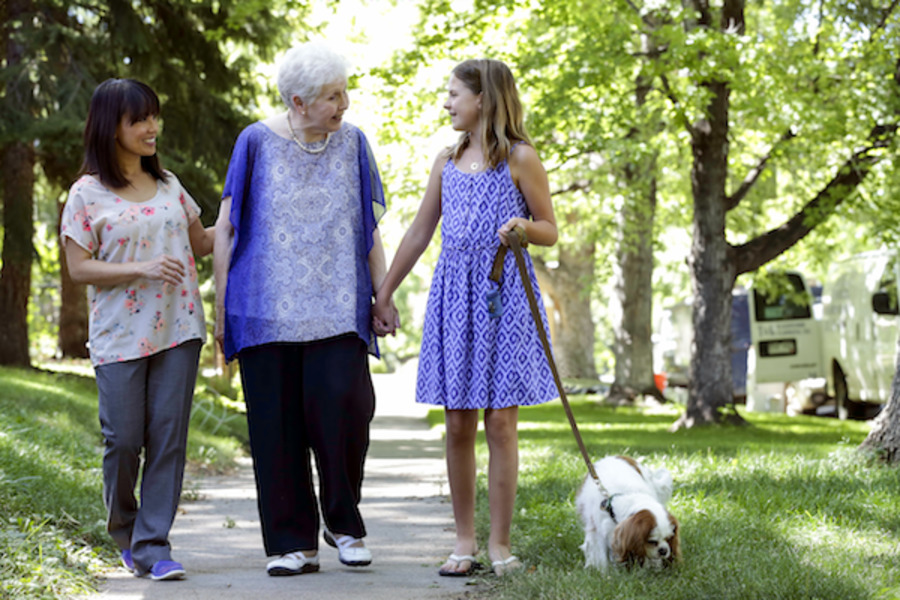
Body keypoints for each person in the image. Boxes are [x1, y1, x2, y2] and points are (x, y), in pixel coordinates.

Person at [372, 58, 559, 577]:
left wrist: (523, 226)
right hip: (454, 296)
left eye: (454, 94)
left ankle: (500, 544)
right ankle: (464, 542)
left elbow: (549, 228)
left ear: (484, 99)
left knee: (500, 421)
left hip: (504, 295)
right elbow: (418, 232)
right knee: (458, 422)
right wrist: (384, 294)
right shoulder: (446, 161)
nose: (447, 102)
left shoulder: (520, 158)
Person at [214, 42, 390, 576]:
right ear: (298, 101)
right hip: (264, 309)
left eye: (343, 92)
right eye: (333, 96)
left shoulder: (353, 142)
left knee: (347, 411)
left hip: (338, 305)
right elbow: (226, 229)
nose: (344, 104)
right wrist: (221, 311)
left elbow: (367, 229)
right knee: (276, 429)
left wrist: (382, 294)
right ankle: (293, 545)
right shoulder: (254, 142)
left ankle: (343, 523)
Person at [61, 78, 214, 581]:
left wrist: (247, 214)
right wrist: (142, 268)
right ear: (112, 128)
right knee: (123, 440)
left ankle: (153, 546)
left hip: (179, 327)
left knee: (168, 438)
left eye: (154, 116)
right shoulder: (86, 194)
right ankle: (124, 530)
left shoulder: (169, 185)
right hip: (119, 335)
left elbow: (202, 242)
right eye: (139, 120)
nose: (152, 128)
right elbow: (78, 268)